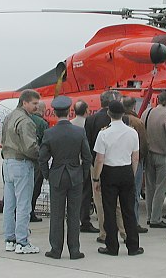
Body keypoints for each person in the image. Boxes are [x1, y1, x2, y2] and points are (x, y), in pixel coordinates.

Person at [39, 96, 92, 260]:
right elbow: (87, 157)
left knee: (57, 214)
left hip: (57, 175)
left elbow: (42, 158)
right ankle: (74, 250)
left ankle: (56, 249)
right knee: (74, 214)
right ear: (69, 111)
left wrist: (48, 174)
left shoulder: (49, 133)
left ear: (54, 112)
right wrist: (82, 174)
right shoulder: (79, 132)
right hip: (75, 175)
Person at [93, 100, 143, 256]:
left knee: (109, 210)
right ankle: (133, 246)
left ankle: (112, 246)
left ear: (109, 114)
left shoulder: (103, 133)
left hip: (109, 172)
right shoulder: (132, 132)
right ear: (123, 114)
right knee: (128, 210)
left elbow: (99, 159)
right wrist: (132, 174)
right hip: (126, 171)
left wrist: (96, 178)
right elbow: (135, 158)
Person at [85, 91, 127, 243]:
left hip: (98, 164)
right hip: (119, 164)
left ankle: (104, 233)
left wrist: (93, 168)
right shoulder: (125, 120)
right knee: (119, 203)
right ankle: (123, 231)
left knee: (101, 203)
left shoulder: (91, 119)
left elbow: (88, 145)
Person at [1, 89, 40, 254]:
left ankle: (10, 239)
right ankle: (22, 241)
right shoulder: (26, 121)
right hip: (22, 163)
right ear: (25, 102)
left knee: (9, 204)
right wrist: (42, 154)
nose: (36, 107)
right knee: (24, 204)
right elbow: (30, 147)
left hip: (7, 162)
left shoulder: (9, 117)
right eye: (34, 103)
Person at [141, 91, 166, 228]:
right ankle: (156, 218)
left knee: (149, 186)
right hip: (162, 155)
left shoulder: (147, 113)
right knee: (161, 187)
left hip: (148, 153)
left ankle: (150, 216)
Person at [122, 96, 149, 233]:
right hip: (135, 161)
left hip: (119, 162)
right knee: (134, 194)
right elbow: (143, 144)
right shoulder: (138, 123)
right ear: (134, 107)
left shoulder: (117, 120)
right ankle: (134, 222)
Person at [30, 101, 49, 222]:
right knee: (35, 187)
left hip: (25, 159)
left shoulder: (26, 119)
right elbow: (45, 143)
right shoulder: (42, 123)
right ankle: (30, 212)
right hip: (37, 159)